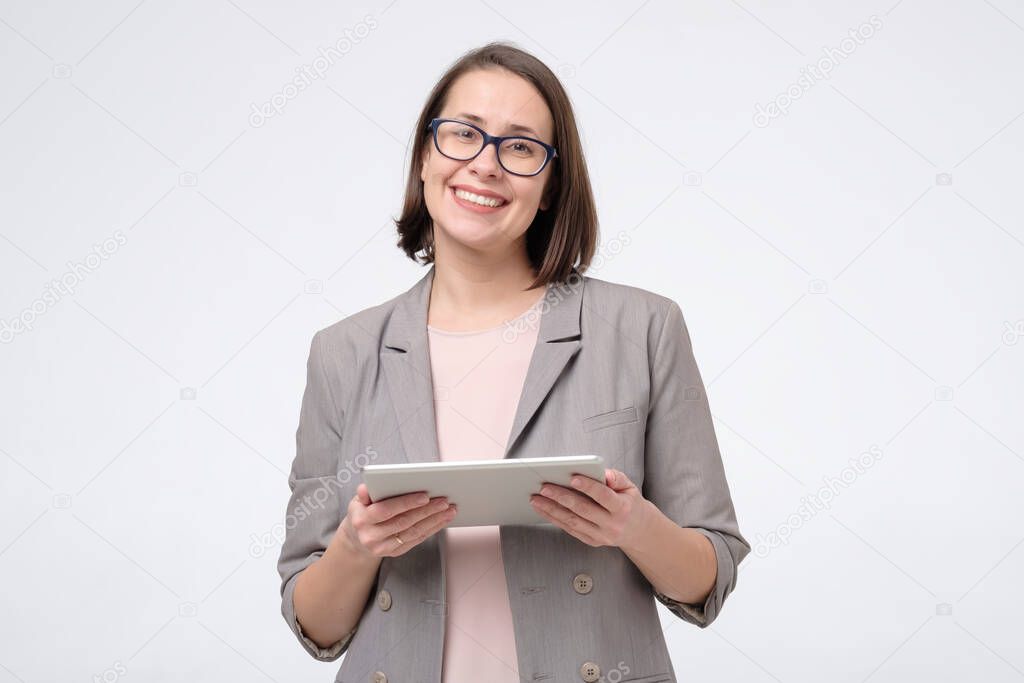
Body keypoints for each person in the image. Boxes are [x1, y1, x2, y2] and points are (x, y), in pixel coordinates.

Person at [277, 41, 749, 683]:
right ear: (424, 156)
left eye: (520, 147)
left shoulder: (642, 328)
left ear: (552, 184)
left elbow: (709, 579)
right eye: (463, 134)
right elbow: (316, 626)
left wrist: (633, 526)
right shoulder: (342, 352)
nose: (485, 165)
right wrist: (356, 547)